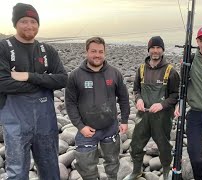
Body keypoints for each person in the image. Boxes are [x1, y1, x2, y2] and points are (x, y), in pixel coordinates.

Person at [0, 3, 68, 179]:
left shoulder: (47, 50)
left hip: (45, 122)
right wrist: (45, 82)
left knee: (50, 166)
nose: (29, 25)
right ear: (15, 23)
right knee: (17, 170)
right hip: (16, 122)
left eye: (33, 21)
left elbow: (62, 79)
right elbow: (3, 83)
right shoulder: (3, 48)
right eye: (24, 21)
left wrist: (29, 76)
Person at [65, 37, 130, 180]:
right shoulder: (76, 75)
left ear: (105, 53)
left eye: (101, 51)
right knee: (86, 166)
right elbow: (70, 103)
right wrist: (80, 127)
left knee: (113, 163)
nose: (97, 55)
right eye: (93, 51)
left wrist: (124, 120)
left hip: (110, 128)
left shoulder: (114, 73)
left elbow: (124, 98)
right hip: (86, 130)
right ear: (86, 52)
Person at [124, 36, 180, 180]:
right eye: (152, 48)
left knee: (164, 146)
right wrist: (139, 99)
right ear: (148, 50)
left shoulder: (171, 71)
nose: (155, 51)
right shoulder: (141, 69)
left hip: (162, 117)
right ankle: (136, 171)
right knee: (136, 143)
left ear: (162, 50)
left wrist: (162, 104)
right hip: (143, 115)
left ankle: (167, 172)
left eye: (158, 48)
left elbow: (176, 95)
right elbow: (136, 89)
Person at [174, 25, 202, 180]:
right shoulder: (190, 60)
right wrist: (178, 104)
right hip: (195, 113)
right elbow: (182, 85)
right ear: (197, 41)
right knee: (195, 155)